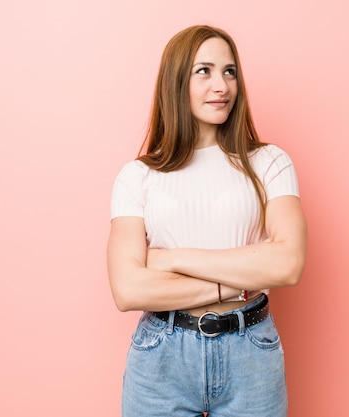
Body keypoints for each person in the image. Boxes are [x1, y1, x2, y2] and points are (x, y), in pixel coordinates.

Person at [106, 25, 307, 417]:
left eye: (230, 71)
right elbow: (128, 289)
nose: (222, 85)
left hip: (250, 351)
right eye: (205, 71)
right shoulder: (137, 176)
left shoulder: (270, 163)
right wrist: (241, 279)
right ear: (176, 81)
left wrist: (171, 259)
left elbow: (288, 264)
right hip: (161, 356)